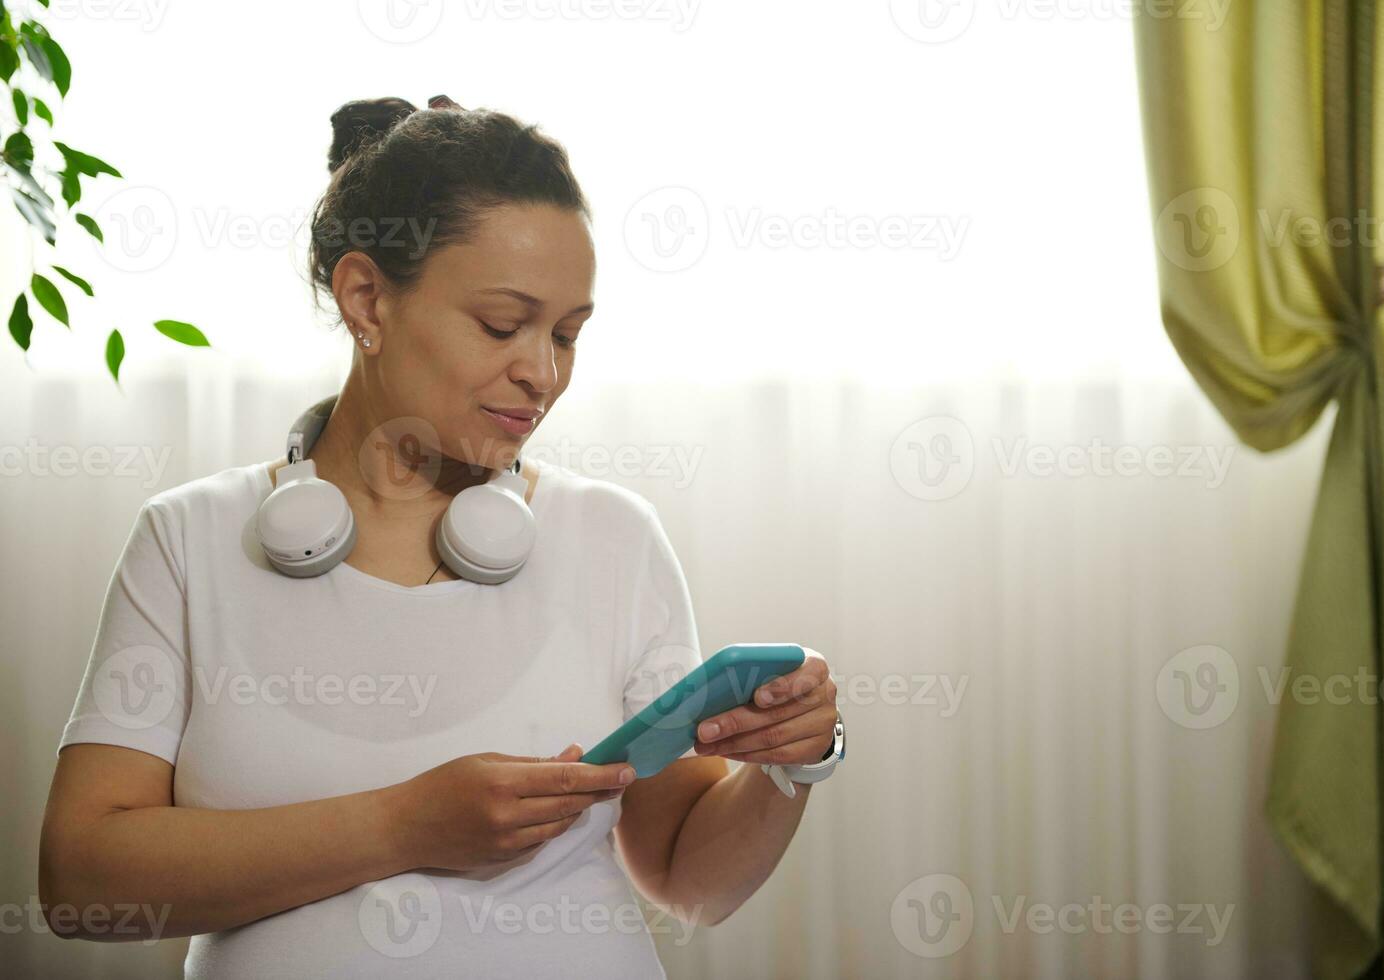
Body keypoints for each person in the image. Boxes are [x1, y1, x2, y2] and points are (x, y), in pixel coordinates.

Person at [37, 95, 841, 978]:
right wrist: (405, 824)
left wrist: (782, 770)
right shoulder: (189, 540)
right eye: (503, 325)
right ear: (366, 298)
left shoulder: (611, 537)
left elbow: (689, 882)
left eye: (567, 335)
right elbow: (81, 882)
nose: (541, 372)